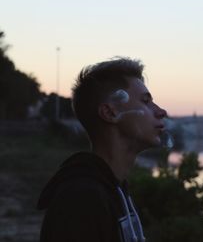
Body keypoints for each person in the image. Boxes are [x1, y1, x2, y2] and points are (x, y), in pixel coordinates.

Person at [37, 57, 167, 242]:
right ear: (110, 113)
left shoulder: (114, 189)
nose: (162, 112)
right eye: (146, 101)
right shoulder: (80, 200)